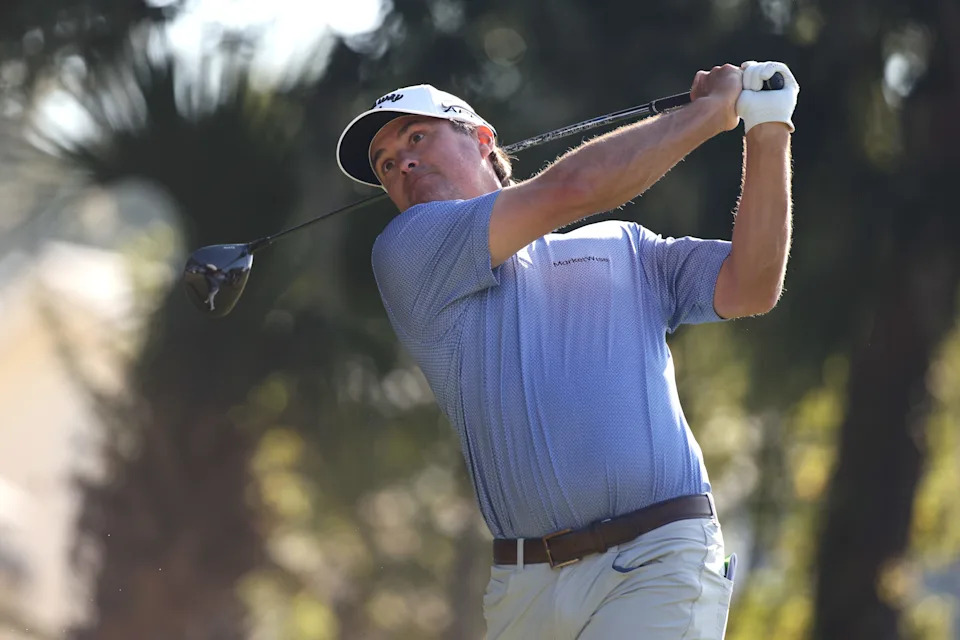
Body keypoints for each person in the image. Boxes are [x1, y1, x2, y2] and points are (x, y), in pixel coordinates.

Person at [336, 61, 798, 639]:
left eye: (417, 137)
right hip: (523, 591)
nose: (401, 162)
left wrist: (768, 125)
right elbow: (572, 190)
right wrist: (707, 114)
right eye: (386, 163)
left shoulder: (626, 247)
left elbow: (752, 284)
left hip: (657, 563)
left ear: (482, 140)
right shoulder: (409, 252)